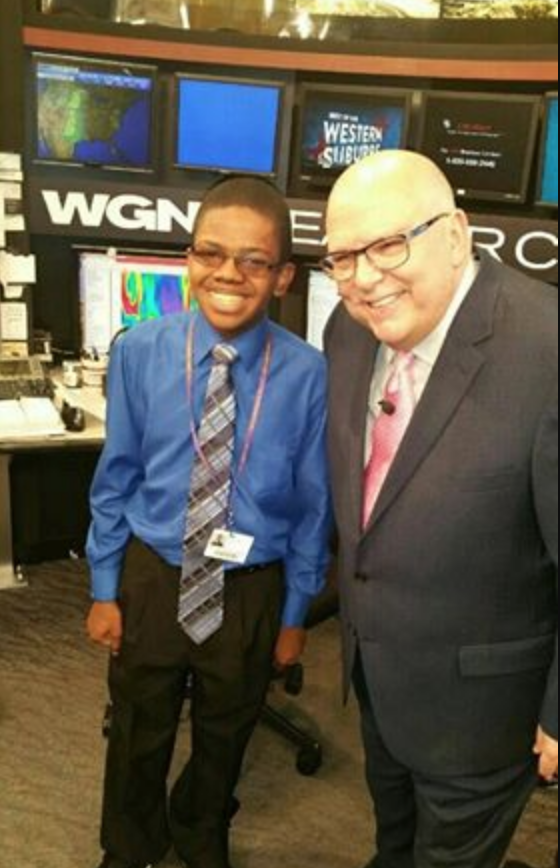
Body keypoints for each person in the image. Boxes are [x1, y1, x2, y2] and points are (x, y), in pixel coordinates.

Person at [86, 176, 332, 868]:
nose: (229, 273)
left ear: (283, 276)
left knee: (228, 728)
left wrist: (294, 614)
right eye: (211, 253)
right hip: (154, 574)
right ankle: (130, 843)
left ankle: (199, 832)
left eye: (254, 260)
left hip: (251, 584)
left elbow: (314, 506)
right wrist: (104, 588)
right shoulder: (139, 351)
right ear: (189, 259)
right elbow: (116, 477)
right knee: (137, 723)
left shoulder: (309, 374)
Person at [323, 150, 558, 868]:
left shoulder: (547, 349)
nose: (365, 278)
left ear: (455, 234)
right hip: (380, 680)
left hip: (485, 709)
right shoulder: (347, 330)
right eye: (342, 257)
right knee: (393, 842)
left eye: (389, 245)